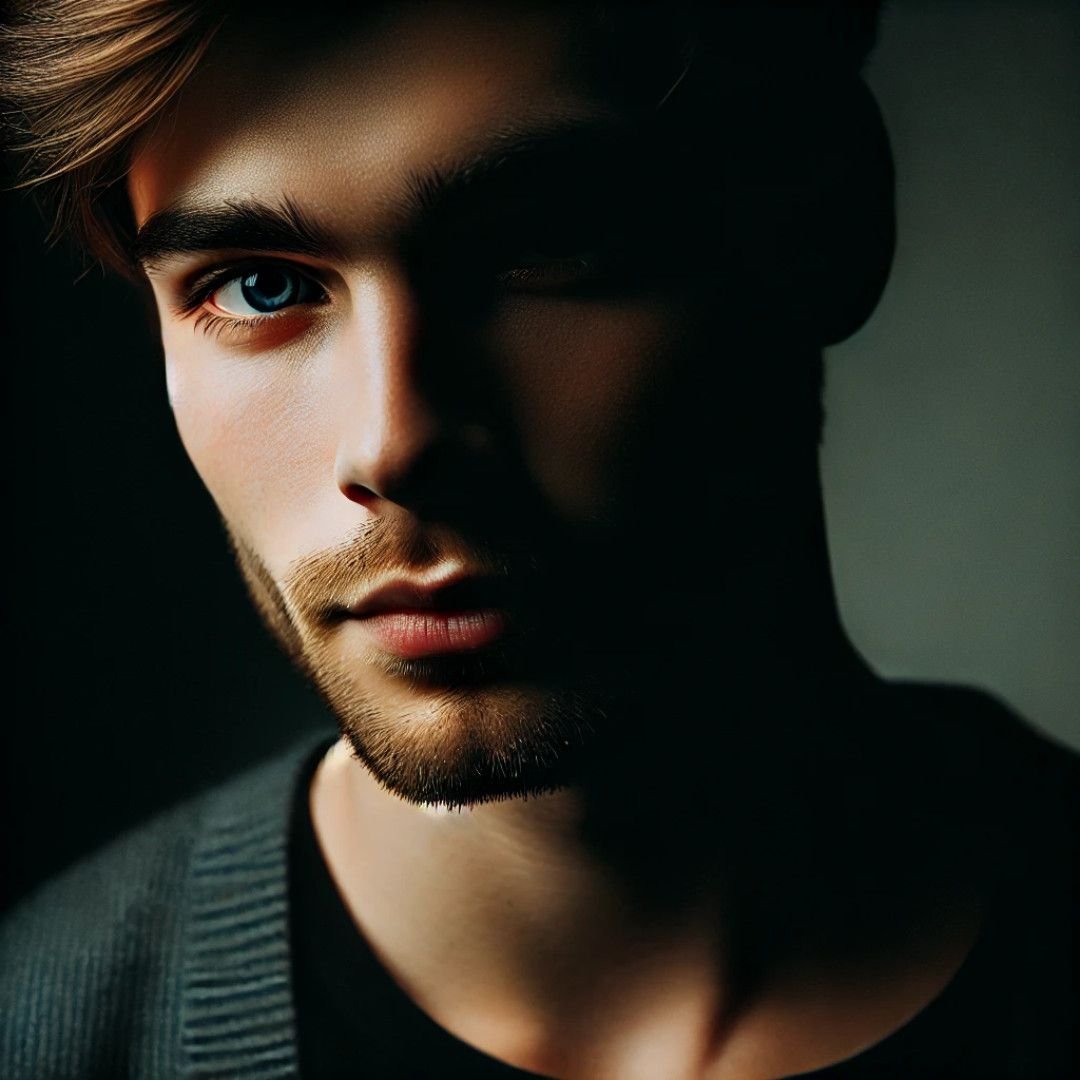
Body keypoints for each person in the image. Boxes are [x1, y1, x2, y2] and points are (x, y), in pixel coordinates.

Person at [0, 2, 1075, 1077]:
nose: (395, 441)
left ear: (829, 222)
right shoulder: (45, 1032)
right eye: (259, 285)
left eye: (543, 246)